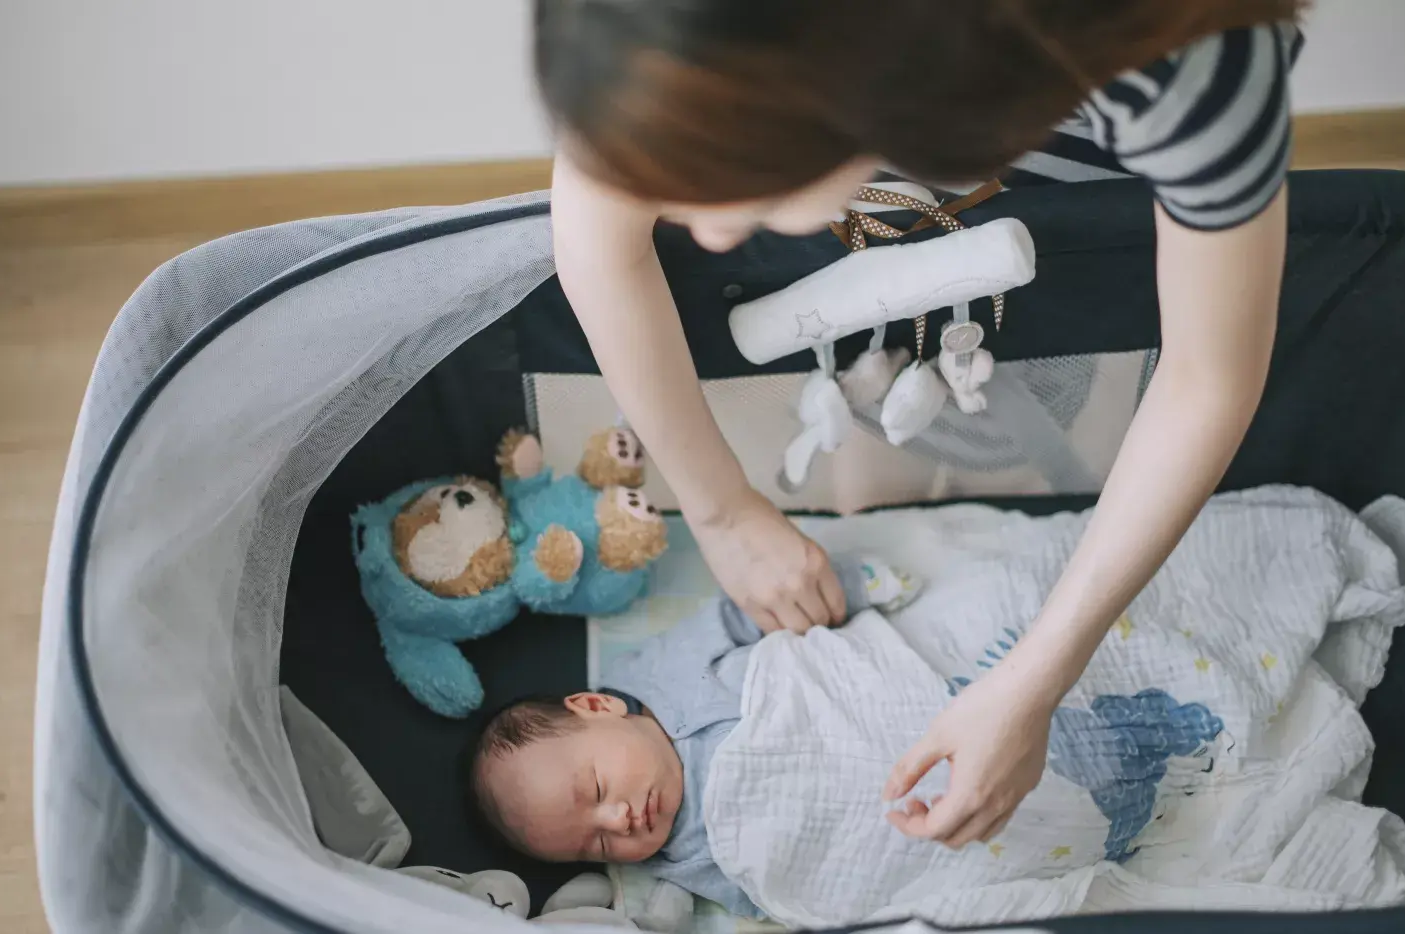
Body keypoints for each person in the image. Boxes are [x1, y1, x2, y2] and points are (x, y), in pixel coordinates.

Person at [532, 0, 1303, 851]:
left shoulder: (1187, 60)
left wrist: (1034, 682)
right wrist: (720, 509)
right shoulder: (675, 33)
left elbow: (1205, 376)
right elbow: (596, 234)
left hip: (1078, 223)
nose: (707, 236)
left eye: (729, 193)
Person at [469, 555, 921, 917]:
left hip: (840, 696)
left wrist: (843, 588)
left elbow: (739, 616)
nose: (617, 821)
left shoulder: (659, 674)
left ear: (596, 707)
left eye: (597, 789)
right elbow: (766, 889)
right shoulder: (680, 857)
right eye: (599, 846)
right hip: (863, 808)